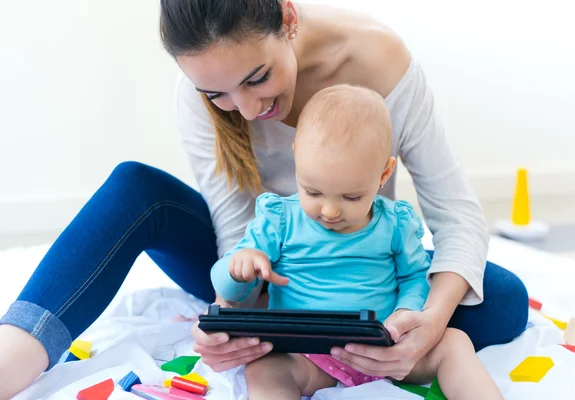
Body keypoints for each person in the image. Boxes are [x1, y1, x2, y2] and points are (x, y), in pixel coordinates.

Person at [0, 1, 527, 398]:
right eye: (220, 95)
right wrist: (232, 316)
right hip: (261, 262)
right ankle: (15, 354)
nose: (247, 110)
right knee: (135, 187)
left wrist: (430, 320)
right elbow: (235, 237)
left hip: (361, 267)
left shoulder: (380, 62)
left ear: (288, 17)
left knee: (501, 300)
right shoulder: (199, 96)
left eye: (257, 78)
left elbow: (455, 212)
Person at [212, 84, 504, 400]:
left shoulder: (394, 224)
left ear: (384, 174)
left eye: (352, 196)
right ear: (298, 156)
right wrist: (236, 269)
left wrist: (405, 315)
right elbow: (228, 293)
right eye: (313, 191)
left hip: (386, 354)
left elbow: (414, 278)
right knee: (264, 365)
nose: (330, 210)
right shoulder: (279, 219)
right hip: (310, 355)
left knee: (455, 341)